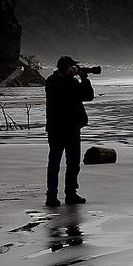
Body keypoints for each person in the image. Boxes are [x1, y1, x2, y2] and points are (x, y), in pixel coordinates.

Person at [45, 55, 94, 207]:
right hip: (70, 128)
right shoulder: (68, 82)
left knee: (54, 163)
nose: (75, 69)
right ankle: (70, 194)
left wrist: (74, 76)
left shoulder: (50, 81)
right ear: (67, 68)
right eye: (73, 67)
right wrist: (84, 79)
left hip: (54, 127)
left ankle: (52, 195)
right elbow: (88, 95)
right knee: (72, 163)